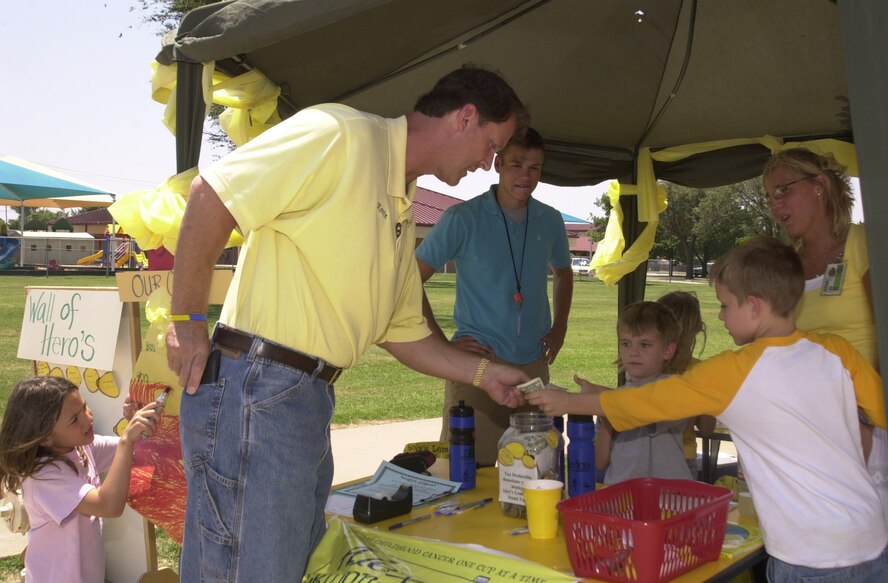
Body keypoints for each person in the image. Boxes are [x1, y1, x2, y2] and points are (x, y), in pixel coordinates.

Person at [165, 65, 531, 582]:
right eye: (492, 145)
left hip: (303, 399)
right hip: (258, 386)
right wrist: (185, 320)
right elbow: (214, 193)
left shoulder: (402, 206)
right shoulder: (341, 134)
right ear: (466, 117)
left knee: (280, 568)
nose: (489, 164)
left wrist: (484, 373)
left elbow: (405, 333)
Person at [528, 237, 888, 581]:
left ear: (755, 306)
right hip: (871, 535)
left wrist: (569, 402)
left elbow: (648, 401)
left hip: (811, 555)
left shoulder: (734, 371)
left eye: (725, 305)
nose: (719, 317)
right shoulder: (837, 350)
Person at [415, 127, 573, 466]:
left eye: (535, 168)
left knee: (536, 468)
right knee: (469, 469)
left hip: (533, 364)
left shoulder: (549, 219)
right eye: (517, 165)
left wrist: (559, 326)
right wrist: (442, 346)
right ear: (498, 164)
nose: (526, 176)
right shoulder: (463, 218)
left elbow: (563, 272)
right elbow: (409, 281)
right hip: (479, 364)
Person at [763, 146, 888, 524]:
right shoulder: (785, 264)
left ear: (819, 185)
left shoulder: (863, 243)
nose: (775, 204)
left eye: (783, 190)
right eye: (769, 197)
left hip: (865, 424)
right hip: (806, 423)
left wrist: (867, 415)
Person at [0, 377, 159, 583]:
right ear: (46, 438)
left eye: (84, 407)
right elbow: (108, 505)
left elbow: (132, 451)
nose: (88, 418)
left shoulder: (81, 447)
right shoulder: (44, 477)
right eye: (74, 419)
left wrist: (138, 421)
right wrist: (127, 439)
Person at [594, 301, 692, 484]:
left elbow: (642, 412)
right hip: (622, 497)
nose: (633, 352)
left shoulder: (673, 390)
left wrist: (605, 400)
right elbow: (599, 462)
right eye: (626, 344)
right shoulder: (616, 398)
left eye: (645, 345)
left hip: (669, 499)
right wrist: (607, 419)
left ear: (668, 350)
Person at [656, 291, 716, 478]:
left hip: (645, 455)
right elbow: (707, 427)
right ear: (698, 329)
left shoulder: (644, 365)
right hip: (682, 457)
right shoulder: (701, 371)